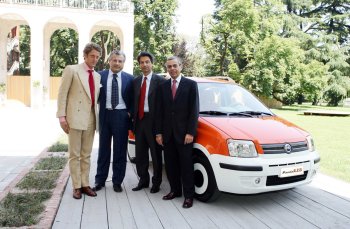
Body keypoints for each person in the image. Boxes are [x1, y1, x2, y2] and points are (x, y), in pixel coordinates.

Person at [56, 42, 101, 199]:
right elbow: (62, 94)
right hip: (74, 118)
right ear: (85, 55)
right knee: (74, 154)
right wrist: (62, 117)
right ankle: (76, 186)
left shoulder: (97, 76)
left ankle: (85, 184)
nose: (94, 59)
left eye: (97, 57)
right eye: (92, 56)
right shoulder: (72, 70)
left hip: (91, 119)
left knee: (86, 154)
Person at [155, 56, 199, 208]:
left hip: (184, 134)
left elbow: (194, 110)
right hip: (167, 134)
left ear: (181, 66)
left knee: (186, 166)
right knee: (171, 165)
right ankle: (175, 191)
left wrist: (190, 132)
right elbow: (159, 112)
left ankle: (188, 196)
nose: (172, 68)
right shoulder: (163, 86)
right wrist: (158, 133)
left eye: (175, 65)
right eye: (169, 66)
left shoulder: (191, 85)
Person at [94, 50, 134, 193]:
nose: (117, 63)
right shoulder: (99, 76)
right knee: (103, 149)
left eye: (120, 61)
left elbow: (135, 99)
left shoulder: (130, 78)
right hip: (105, 115)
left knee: (120, 151)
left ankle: (117, 181)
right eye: (114, 60)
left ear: (123, 63)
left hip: (122, 117)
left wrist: (129, 112)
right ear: (109, 61)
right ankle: (100, 180)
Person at [132, 51, 166, 193]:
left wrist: (161, 129)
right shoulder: (135, 81)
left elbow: (165, 107)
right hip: (139, 121)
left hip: (154, 122)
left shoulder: (161, 82)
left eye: (147, 62)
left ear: (152, 63)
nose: (144, 64)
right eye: (142, 62)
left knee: (156, 154)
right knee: (140, 154)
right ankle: (143, 180)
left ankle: (156, 183)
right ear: (139, 64)